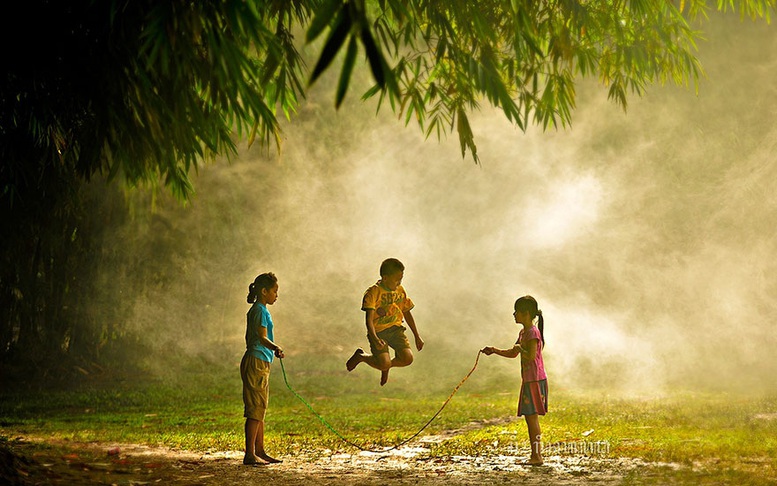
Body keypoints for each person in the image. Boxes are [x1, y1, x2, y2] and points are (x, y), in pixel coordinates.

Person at [481, 295, 547, 466]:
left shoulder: (533, 332)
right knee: (530, 418)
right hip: (529, 380)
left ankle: (537, 456)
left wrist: (519, 348)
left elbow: (531, 356)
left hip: (534, 380)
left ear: (525, 313)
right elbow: (513, 353)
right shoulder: (524, 332)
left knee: (531, 418)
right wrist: (494, 350)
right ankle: (536, 455)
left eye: (516, 311)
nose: (514, 314)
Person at [346, 258, 424, 386]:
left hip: (396, 330)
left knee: (407, 358)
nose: (399, 283)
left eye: (401, 279)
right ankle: (361, 356)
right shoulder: (373, 293)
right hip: (379, 332)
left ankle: (386, 366)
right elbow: (369, 320)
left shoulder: (400, 290)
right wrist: (375, 338)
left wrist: (417, 335)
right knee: (383, 363)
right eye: (396, 280)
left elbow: (407, 312)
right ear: (385, 278)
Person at [241, 272, 284, 466]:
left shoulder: (260, 310)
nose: (277, 295)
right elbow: (261, 337)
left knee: (260, 408)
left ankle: (260, 451)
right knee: (255, 409)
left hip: (261, 362)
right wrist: (275, 347)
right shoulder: (259, 310)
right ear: (264, 291)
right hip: (257, 361)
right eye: (275, 291)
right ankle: (250, 454)